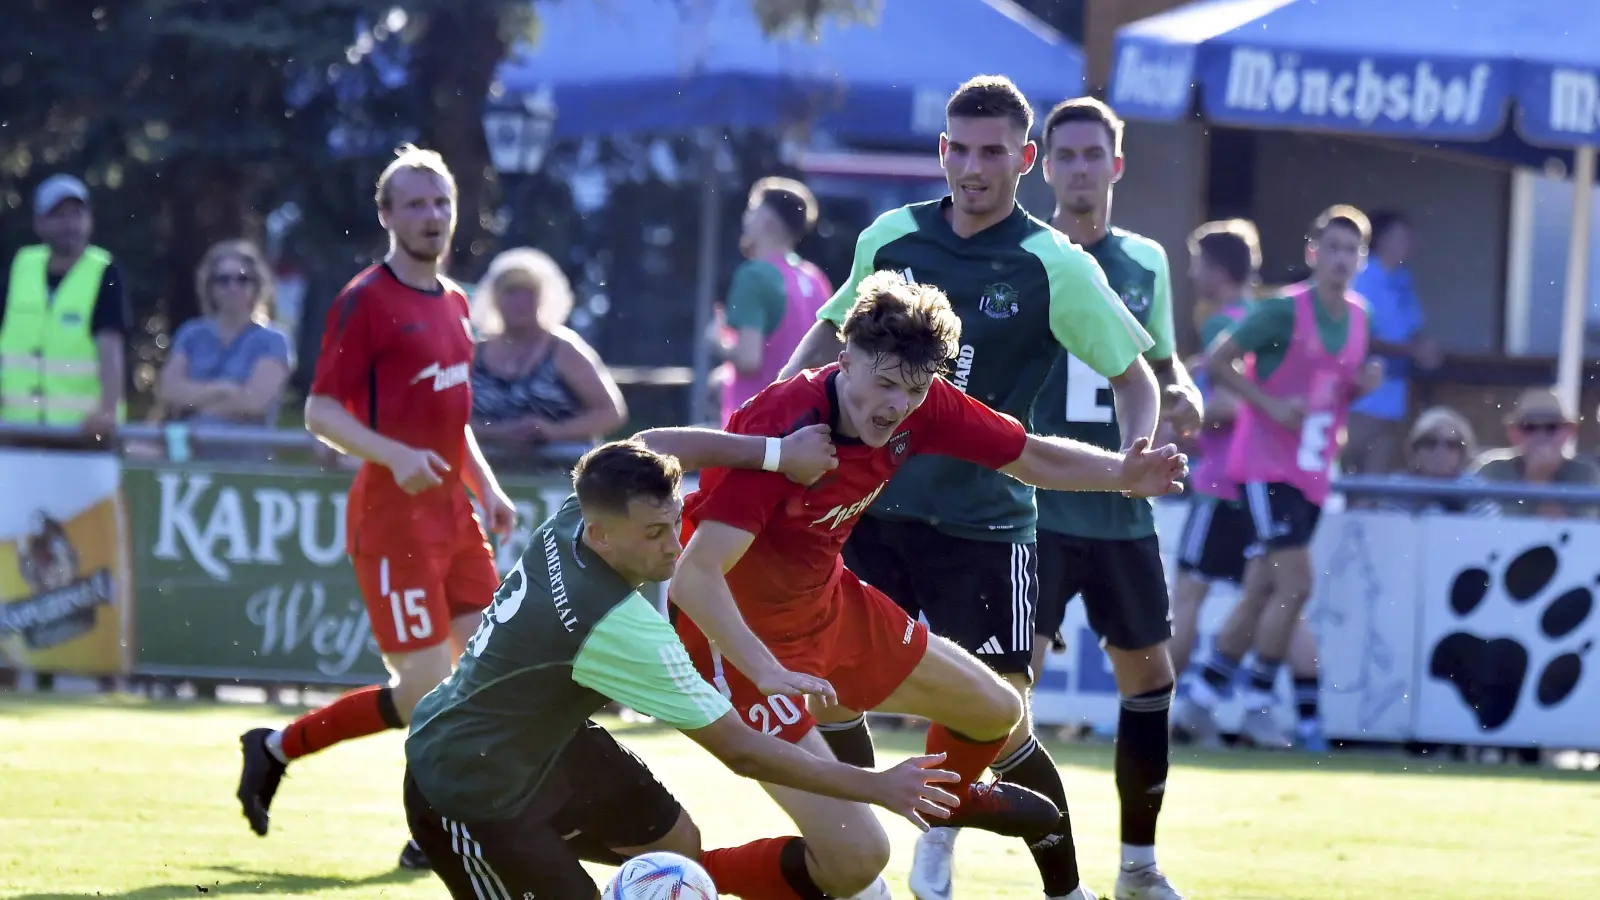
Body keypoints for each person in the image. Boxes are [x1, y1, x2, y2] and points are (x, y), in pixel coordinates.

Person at [672, 269, 1186, 900]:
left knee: (996, 709)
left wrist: (1122, 474)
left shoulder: (923, 403)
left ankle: (938, 807)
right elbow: (693, 577)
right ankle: (668, 880)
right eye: (883, 382)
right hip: (734, 641)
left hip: (826, 609)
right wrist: (765, 668)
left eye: (913, 390)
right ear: (846, 360)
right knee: (859, 859)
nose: (894, 406)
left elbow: (1028, 455)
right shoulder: (783, 422)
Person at [776, 76, 1164, 900]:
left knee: (1001, 719)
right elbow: (829, 330)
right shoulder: (890, 235)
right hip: (867, 516)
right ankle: (867, 870)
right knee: (834, 695)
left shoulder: (1051, 263)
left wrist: (1136, 450)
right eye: (961, 148)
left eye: (995, 152)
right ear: (941, 150)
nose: (974, 167)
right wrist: (782, 411)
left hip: (986, 527)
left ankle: (1051, 884)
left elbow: (1134, 376)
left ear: (1026, 160)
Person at [403, 436, 964, 900]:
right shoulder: (617, 626)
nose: (675, 548)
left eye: (675, 522)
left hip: (545, 743)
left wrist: (774, 454)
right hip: (467, 785)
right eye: (654, 534)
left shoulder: (581, 511)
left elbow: (654, 444)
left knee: (675, 847)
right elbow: (742, 750)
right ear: (603, 536)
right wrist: (875, 784)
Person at [1021, 98, 1207, 900]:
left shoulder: (1147, 262)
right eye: (1066, 156)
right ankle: (944, 844)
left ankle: (1137, 865)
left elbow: (1163, 365)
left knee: (1150, 683)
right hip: (1031, 506)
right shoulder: (1021, 254)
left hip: (1120, 510)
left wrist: (1187, 393)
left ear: (1116, 166)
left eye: (1094, 154)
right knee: (996, 687)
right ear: (1045, 166)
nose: (1080, 169)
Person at [1174, 205, 1382, 752]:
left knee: (1264, 586)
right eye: (1331, 247)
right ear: (1314, 253)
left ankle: (1202, 691)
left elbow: (1329, 392)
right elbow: (1219, 363)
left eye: (1350, 249)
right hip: (1265, 468)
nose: (1340, 259)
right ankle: (1259, 698)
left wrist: (1358, 391)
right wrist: (1268, 404)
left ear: (1362, 259)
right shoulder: (1283, 312)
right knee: (1297, 583)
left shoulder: (1361, 318)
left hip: (1313, 472)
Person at [1170, 220, 1262, 676]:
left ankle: (1154, 711)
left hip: (1220, 483)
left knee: (1187, 596)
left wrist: (1181, 410)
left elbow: (1231, 404)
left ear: (1219, 269)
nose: (1192, 275)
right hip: (1257, 482)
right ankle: (1305, 717)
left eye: (1197, 264)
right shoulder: (1259, 319)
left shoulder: (1222, 324)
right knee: (1272, 597)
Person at [0, 173, 128, 434]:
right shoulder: (21, 266)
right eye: (58, 215)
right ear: (39, 223)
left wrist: (107, 412)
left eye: (76, 214)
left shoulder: (103, 271)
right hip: (15, 428)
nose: (69, 224)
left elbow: (111, 348)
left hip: (82, 431)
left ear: (89, 220)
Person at [468, 246, 627, 455]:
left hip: (560, 471)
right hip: (488, 469)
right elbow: (450, 418)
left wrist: (554, 432)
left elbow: (611, 413)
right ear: (494, 298)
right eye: (511, 292)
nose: (520, 302)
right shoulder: (474, 353)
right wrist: (499, 433)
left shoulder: (563, 349)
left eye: (529, 293)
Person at [708, 177, 832, 426]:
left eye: (751, 210)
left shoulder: (753, 275)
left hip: (755, 430)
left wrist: (715, 341)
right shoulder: (816, 278)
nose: (745, 219)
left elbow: (749, 359)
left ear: (767, 221)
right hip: (806, 428)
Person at [1345, 210, 1441, 477]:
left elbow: (1413, 329)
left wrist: (1425, 349)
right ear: (1381, 240)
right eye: (1401, 236)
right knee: (1351, 470)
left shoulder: (1403, 279)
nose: (1409, 242)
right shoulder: (1362, 277)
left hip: (1395, 394)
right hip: (1360, 396)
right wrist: (1411, 350)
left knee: (1378, 474)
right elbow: (1357, 337)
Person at [156, 239, 293, 426]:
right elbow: (169, 390)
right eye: (223, 280)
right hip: (186, 450)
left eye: (242, 279)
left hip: (244, 450)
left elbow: (254, 402)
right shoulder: (191, 334)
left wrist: (194, 403)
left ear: (257, 285)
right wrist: (223, 389)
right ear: (210, 286)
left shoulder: (273, 340)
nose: (233, 287)